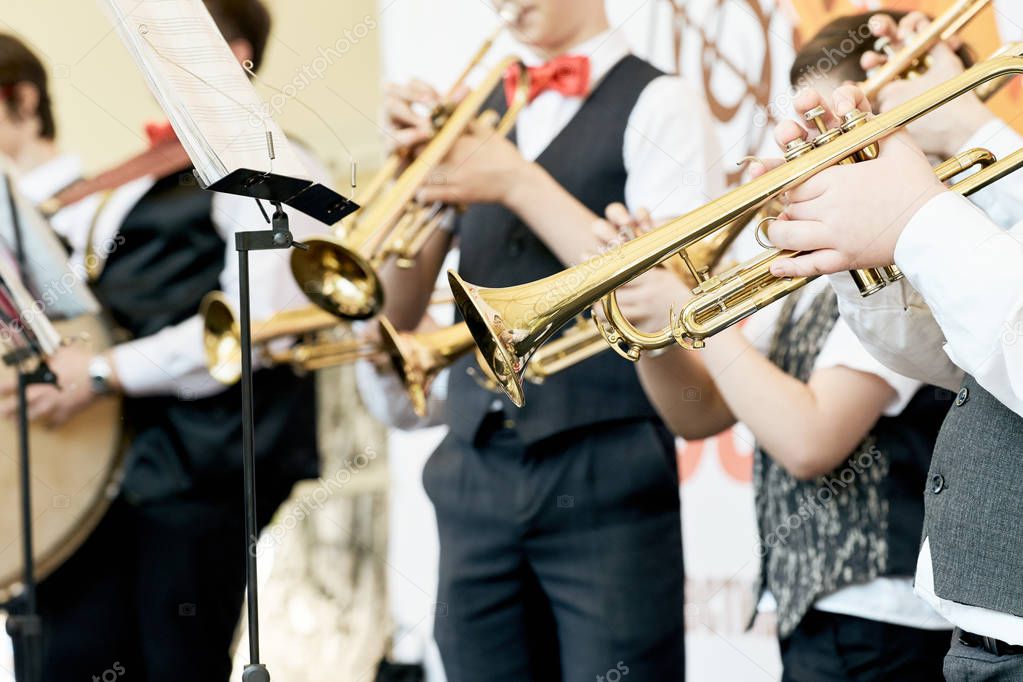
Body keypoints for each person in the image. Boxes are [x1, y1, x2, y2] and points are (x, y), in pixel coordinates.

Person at [595, 13, 971, 680]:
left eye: (822, 131)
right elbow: (699, 412)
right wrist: (650, 320)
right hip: (822, 617)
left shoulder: (926, 250)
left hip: (886, 619)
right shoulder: (814, 265)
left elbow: (808, 437)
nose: (797, 154)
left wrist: (692, 311)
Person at [372, 0, 724, 678]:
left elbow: (664, 294)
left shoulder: (663, 103)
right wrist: (409, 187)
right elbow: (395, 306)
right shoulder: (478, 108)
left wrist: (514, 182)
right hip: (472, 469)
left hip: (606, 467)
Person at [0, 3, 328, 679]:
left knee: (177, 659)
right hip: (125, 466)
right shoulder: (134, 176)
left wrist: (100, 372)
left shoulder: (271, 160)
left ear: (233, 54)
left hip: (199, 464)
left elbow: (255, 327)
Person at [758, 14, 1023, 681]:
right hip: (976, 631)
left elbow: (809, 437)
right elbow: (960, 361)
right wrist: (861, 243)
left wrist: (958, 135)